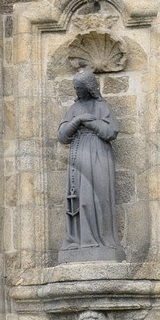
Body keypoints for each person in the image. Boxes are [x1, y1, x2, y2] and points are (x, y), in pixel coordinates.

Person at [57, 66, 124, 262]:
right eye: (75, 88)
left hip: (98, 156)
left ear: (89, 88)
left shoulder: (102, 107)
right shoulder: (74, 109)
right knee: (79, 198)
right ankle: (78, 241)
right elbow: (62, 136)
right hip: (78, 157)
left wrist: (89, 122)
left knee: (97, 197)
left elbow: (111, 131)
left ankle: (101, 240)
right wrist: (77, 120)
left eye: (80, 88)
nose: (77, 92)